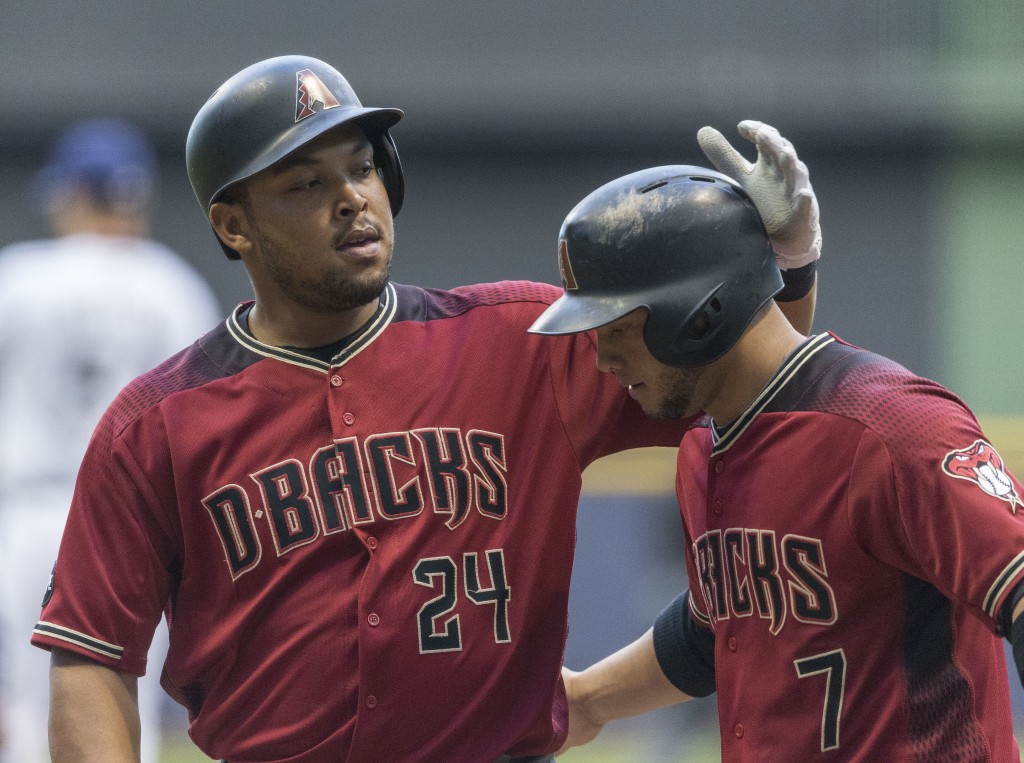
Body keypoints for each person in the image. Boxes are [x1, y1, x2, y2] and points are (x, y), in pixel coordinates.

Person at [30, 56, 820, 763]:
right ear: (233, 224)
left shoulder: (523, 341)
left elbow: (744, 383)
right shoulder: (154, 426)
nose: (352, 198)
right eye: (307, 184)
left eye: (363, 167)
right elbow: (92, 652)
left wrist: (783, 267)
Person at [529, 162, 1024, 760]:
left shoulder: (891, 429)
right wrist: (587, 700)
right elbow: (716, 631)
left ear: (700, 312)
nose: (603, 359)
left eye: (619, 328)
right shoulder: (704, 450)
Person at [0, 119, 221, 762]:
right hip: (131, 523)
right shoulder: (173, 285)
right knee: (124, 699)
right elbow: (203, 421)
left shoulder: (18, 277)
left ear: (73, 194)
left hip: (30, 511)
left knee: (31, 704)